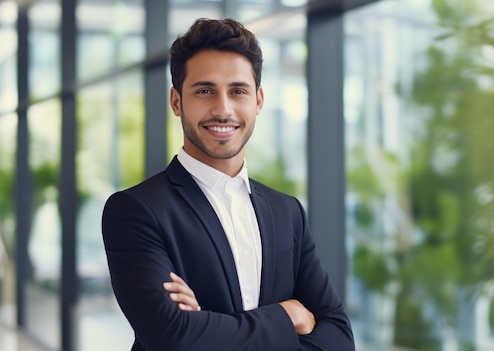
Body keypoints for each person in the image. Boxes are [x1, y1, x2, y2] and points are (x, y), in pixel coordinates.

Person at [101, 17, 355, 351]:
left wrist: (207, 324)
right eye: (205, 91)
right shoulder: (136, 210)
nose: (223, 109)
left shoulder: (287, 211)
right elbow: (172, 337)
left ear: (259, 101)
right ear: (176, 102)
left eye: (238, 91)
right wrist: (288, 316)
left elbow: (338, 337)